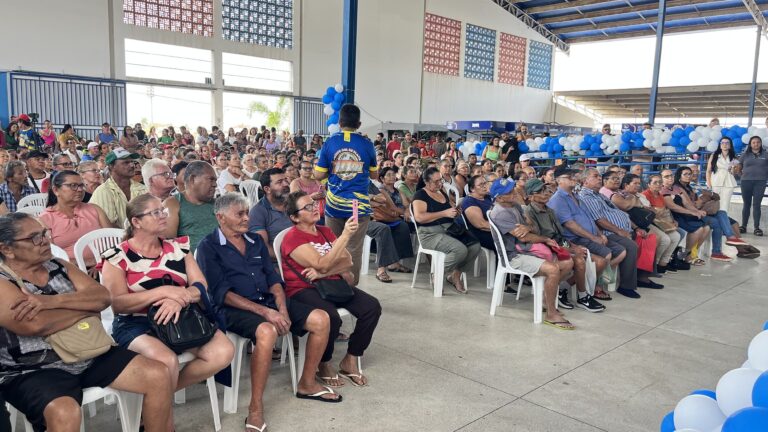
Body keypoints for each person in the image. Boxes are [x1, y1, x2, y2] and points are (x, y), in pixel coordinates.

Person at [0, 213, 174, 432]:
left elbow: (102, 297)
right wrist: (85, 311)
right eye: (34, 237)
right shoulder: (3, 281)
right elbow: (35, 325)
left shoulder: (58, 265)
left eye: (44, 233)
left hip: (89, 350)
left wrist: (51, 301)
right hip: (33, 368)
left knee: (158, 375)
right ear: (7, 249)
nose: (45, 240)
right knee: (65, 412)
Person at [197, 194, 340, 429]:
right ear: (220, 217)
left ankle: (306, 383)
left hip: (269, 302)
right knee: (266, 332)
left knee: (321, 319)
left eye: (247, 212)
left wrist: (282, 308)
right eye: (240, 214)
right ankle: (255, 407)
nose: (247, 218)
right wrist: (266, 312)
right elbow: (221, 293)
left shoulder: (254, 241)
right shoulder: (208, 247)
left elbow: (274, 279)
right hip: (234, 308)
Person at [101, 194, 234, 430]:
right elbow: (118, 303)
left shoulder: (178, 247)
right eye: (156, 212)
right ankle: (163, 424)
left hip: (180, 318)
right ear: (136, 222)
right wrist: (163, 292)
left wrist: (179, 300)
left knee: (223, 352)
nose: (164, 215)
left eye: (164, 210)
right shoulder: (117, 256)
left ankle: (154, 400)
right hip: (137, 323)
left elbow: (200, 287)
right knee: (167, 361)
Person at [281, 191, 381, 387]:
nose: (314, 208)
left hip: (331, 284)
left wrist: (323, 273)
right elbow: (323, 263)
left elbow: (347, 261)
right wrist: (344, 236)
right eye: (307, 207)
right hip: (303, 289)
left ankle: (350, 359)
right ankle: (324, 363)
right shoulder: (292, 238)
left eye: (314, 203)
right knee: (331, 317)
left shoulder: (325, 231)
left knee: (371, 307)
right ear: (294, 217)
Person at [489, 178, 576, 330]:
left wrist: (527, 227)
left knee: (568, 263)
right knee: (553, 270)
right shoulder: (500, 213)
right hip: (514, 256)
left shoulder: (515, 205)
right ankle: (551, 313)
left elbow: (531, 228)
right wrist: (543, 238)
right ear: (499, 198)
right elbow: (525, 236)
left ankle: (544, 299)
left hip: (527, 249)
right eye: (509, 192)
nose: (514, 192)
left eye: (512, 189)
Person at [314, 104, 377, 286]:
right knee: (354, 249)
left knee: (333, 246)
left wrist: (335, 170)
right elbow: (374, 175)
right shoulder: (367, 144)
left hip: (334, 206)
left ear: (339, 122)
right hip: (358, 207)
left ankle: (333, 285)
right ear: (359, 123)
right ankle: (350, 288)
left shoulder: (330, 143)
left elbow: (318, 175)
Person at [524, 178, 606, 312]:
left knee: (592, 259)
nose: (545, 193)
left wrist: (573, 247)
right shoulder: (529, 212)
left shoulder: (549, 210)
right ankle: (582, 296)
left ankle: (565, 290)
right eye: (540, 191)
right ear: (531, 196)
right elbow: (541, 238)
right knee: (579, 260)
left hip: (557, 243)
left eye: (545, 190)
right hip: (545, 248)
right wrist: (569, 249)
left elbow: (559, 235)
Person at [583, 169, 663, 294]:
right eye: (596, 176)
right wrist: (620, 231)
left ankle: (643, 277)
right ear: (585, 180)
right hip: (609, 232)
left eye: (599, 176)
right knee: (631, 246)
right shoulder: (586, 197)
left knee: (649, 239)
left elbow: (621, 212)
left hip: (624, 229)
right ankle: (626, 286)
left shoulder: (599, 195)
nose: (599, 178)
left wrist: (636, 228)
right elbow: (599, 220)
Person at [547, 167, 621, 301]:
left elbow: (589, 218)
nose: (573, 179)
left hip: (588, 236)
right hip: (576, 239)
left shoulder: (575, 196)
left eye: (573, 176)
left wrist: (599, 234)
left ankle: (585, 288)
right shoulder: (558, 199)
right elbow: (569, 224)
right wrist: (594, 238)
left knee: (614, 252)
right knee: (603, 259)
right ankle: (574, 288)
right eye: (569, 177)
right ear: (558, 180)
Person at [412, 167, 481, 294]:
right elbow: (419, 217)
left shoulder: (441, 192)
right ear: (427, 182)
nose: (440, 183)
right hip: (429, 233)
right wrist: (444, 213)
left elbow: (449, 211)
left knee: (475, 246)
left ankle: (455, 275)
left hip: (449, 229)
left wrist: (455, 212)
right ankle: (437, 274)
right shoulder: (420, 195)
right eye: (436, 181)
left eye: (441, 180)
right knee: (460, 250)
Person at [663, 166, 738, 263]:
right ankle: (692, 254)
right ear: (679, 176)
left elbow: (690, 202)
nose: (690, 176)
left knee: (722, 215)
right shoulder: (674, 188)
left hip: (695, 211)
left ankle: (731, 240)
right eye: (686, 174)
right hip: (679, 215)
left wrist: (696, 209)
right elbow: (675, 206)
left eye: (691, 173)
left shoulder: (686, 187)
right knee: (715, 223)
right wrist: (695, 210)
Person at [39, 171, 111, 269]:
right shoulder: (45, 219)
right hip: (69, 269)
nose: (80, 190)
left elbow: (113, 240)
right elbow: (49, 255)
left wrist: (101, 262)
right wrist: (84, 264)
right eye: (73, 186)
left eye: (81, 185)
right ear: (56, 190)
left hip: (105, 264)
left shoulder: (94, 209)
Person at [615, 174, 682, 274]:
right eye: (635, 183)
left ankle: (662, 263)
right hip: (637, 223)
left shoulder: (640, 195)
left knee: (676, 235)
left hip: (649, 221)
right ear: (626, 185)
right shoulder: (623, 196)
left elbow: (650, 209)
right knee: (664, 239)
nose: (638, 185)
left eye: (639, 183)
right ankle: (652, 267)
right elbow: (628, 209)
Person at [164, 161, 219, 252]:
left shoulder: (217, 204)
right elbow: (169, 245)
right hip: (191, 263)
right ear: (193, 179)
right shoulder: (172, 204)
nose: (215, 184)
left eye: (215, 181)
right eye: (211, 179)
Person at [367, 181, 413, 282]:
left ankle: (394, 263)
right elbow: (353, 200)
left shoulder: (368, 183)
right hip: (361, 219)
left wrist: (373, 201)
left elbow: (383, 199)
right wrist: (372, 198)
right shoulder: (347, 182)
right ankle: (381, 269)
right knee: (383, 229)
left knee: (402, 226)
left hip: (376, 216)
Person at [90, 147, 147, 227]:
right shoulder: (103, 192)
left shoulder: (143, 189)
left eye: (132, 162)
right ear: (111, 166)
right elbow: (108, 227)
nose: (132, 165)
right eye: (126, 163)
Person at [249, 168, 293, 259]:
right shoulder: (257, 212)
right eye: (280, 182)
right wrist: (288, 259)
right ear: (267, 189)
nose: (286, 184)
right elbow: (263, 247)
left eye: (286, 180)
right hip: (280, 261)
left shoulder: (295, 203)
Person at [738, 136, 768, 236]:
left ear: (761, 143)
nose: (756, 144)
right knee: (746, 204)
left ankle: (757, 228)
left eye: (758, 142)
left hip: (760, 182)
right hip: (746, 181)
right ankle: (743, 226)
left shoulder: (766, 154)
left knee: (756, 204)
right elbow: (738, 166)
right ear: (750, 144)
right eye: (753, 142)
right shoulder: (745, 154)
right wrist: (740, 174)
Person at [462, 175, 495, 253]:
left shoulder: (487, 196)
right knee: (509, 240)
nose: (484, 186)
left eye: (485, 183)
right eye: (481, 184)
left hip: (493, 228)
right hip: (481, 233)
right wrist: (503, 227)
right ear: (472, 189)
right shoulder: (469, 202)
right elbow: (481, 224)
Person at [706, 137, 738, 215]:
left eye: (727, 143)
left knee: (725, 206)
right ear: (720, 145)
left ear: (730, 145)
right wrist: (709, 184)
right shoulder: (714, 155)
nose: (725, 144)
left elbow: (734, 173)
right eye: (722, 143)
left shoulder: (734, 156)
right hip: (716, 182)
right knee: (715, 205)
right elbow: (708, 171)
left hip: (729, 183)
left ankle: (723, 224)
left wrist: (733, 169)